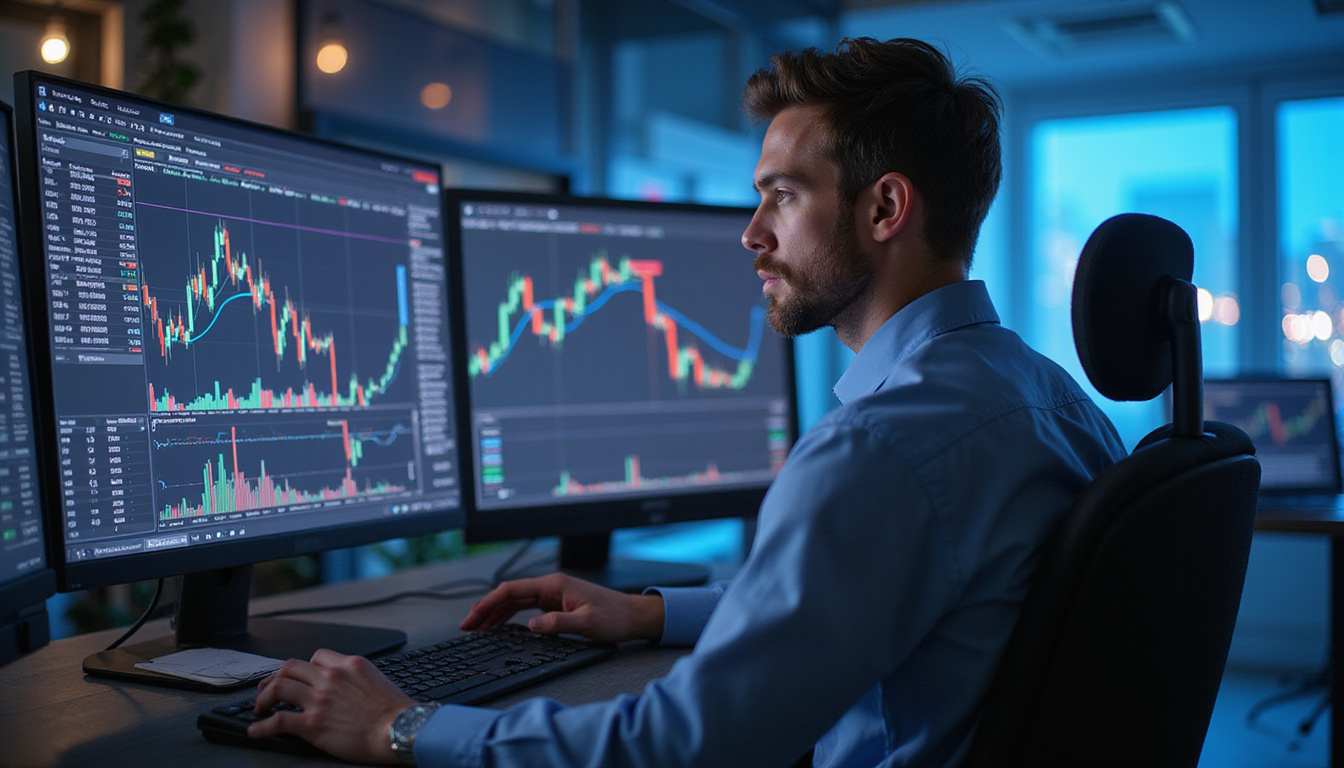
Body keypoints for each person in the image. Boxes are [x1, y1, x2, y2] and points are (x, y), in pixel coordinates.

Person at [248, 37, 1126, 767]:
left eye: (782, 195)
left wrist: (397, 726)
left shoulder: (877, 451)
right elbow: (898, 588)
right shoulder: (1060, 407)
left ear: (886, 207)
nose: (752, 233)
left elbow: (683, 748)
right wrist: (653, 612)